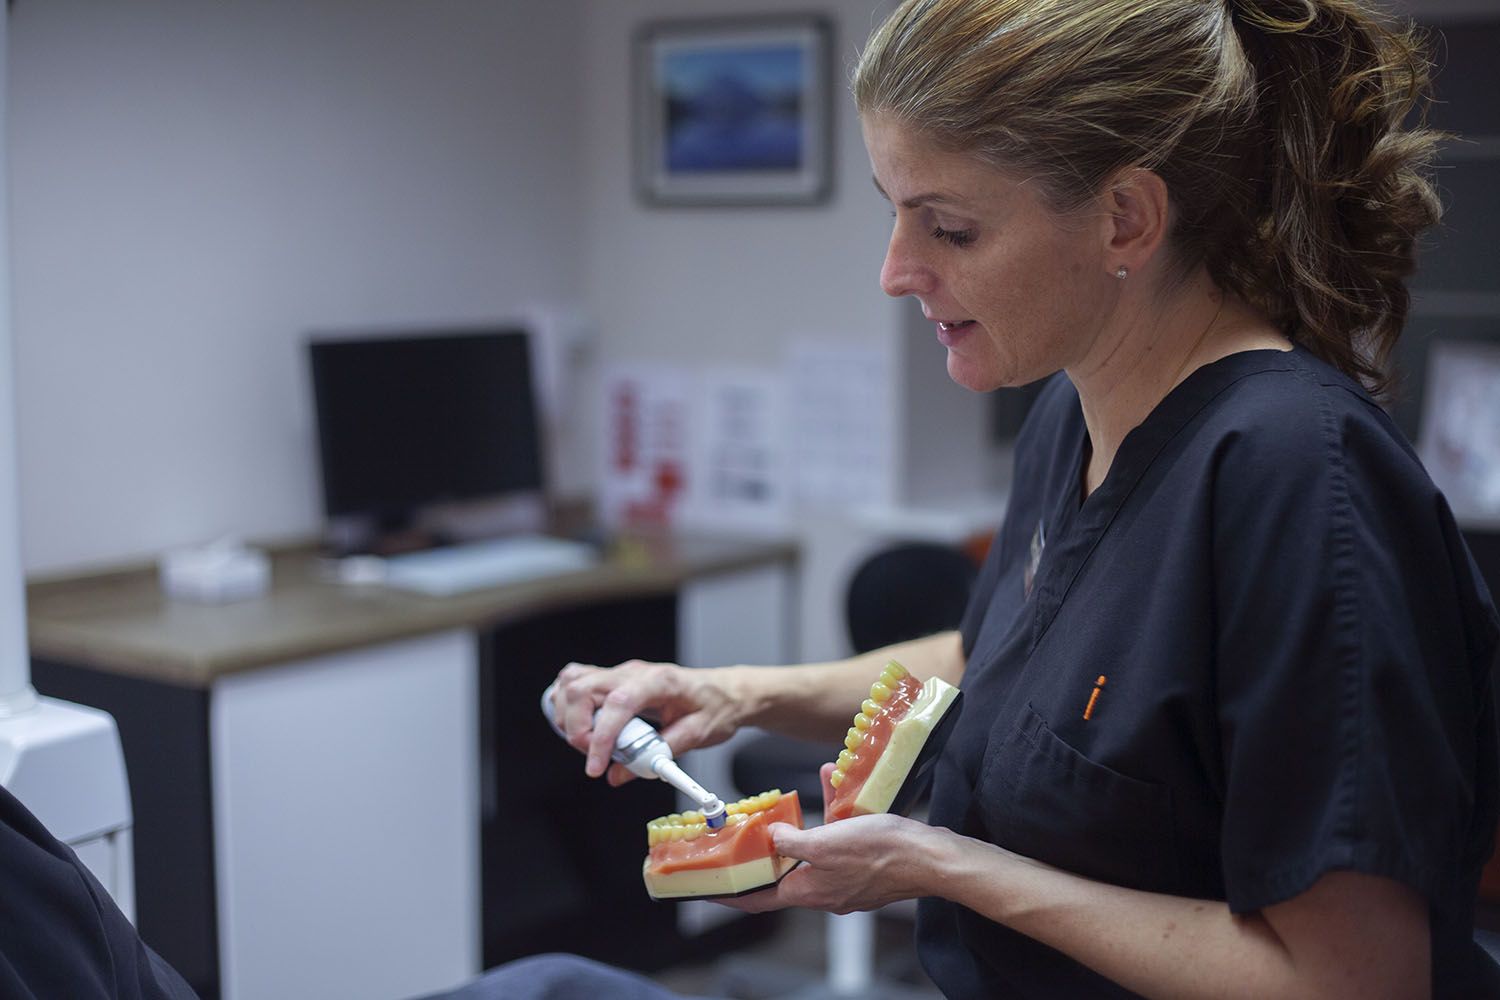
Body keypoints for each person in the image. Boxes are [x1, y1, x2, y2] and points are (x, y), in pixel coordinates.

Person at [543, 0, 1500, 998]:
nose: (895, 272)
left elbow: (1354, 981)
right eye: (893, 210)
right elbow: (996, 660)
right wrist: (734, 694)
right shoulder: (1072, 414)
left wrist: (943, 867)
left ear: (1126, 218)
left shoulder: (1299, 478)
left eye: (950, 228)